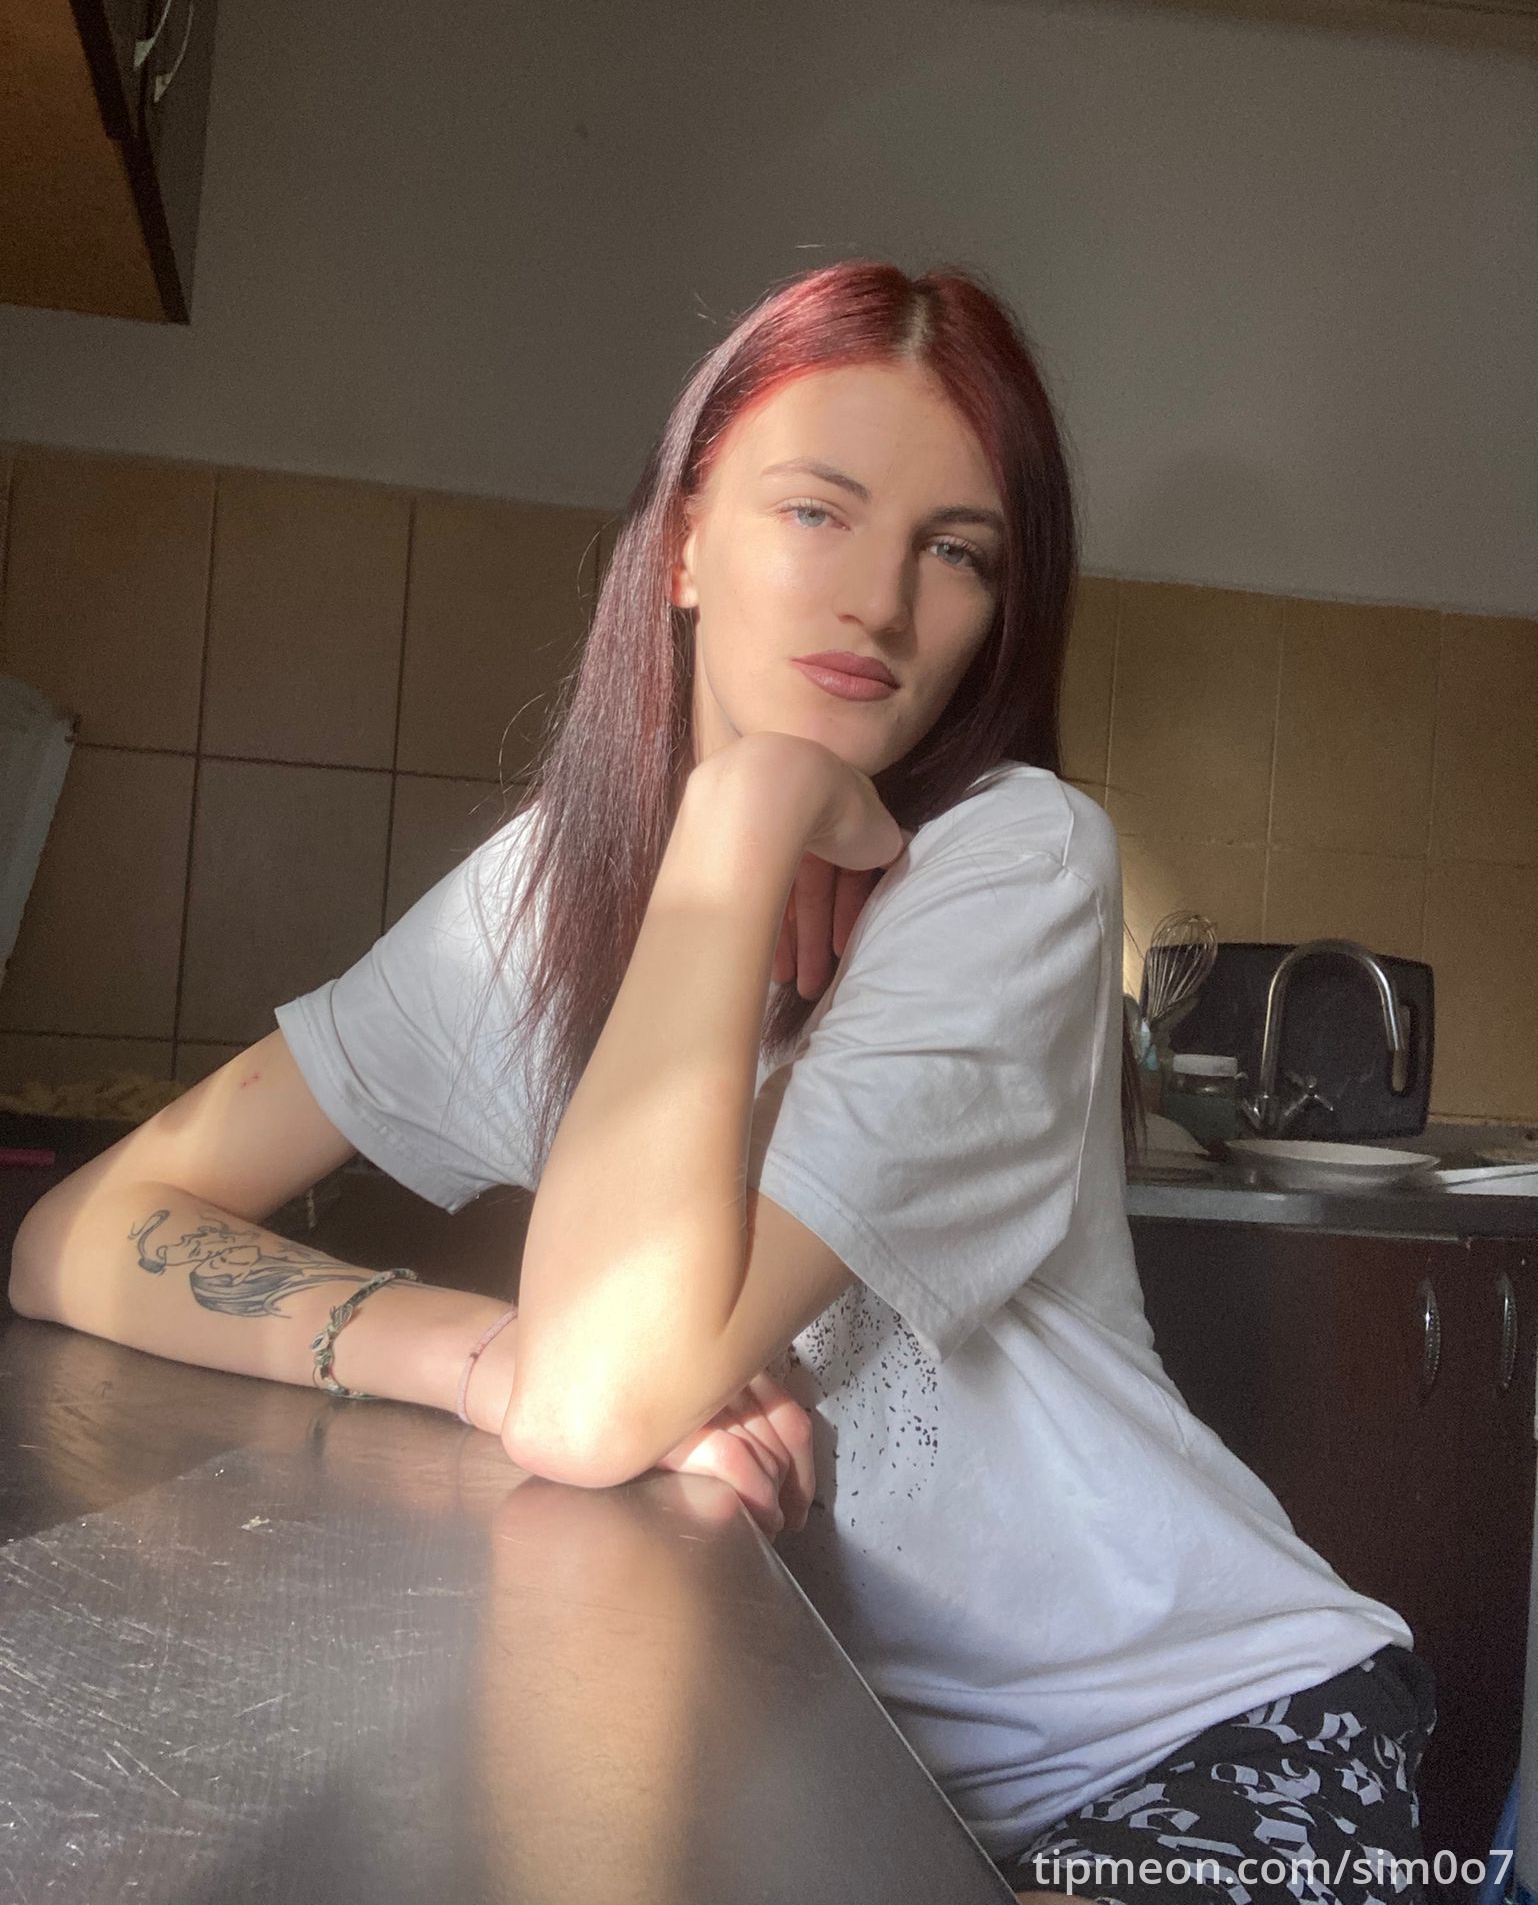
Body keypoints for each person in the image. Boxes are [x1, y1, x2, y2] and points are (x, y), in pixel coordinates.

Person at [10, 260, 1436, 1903]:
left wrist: (745, 808)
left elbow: (599, 1403)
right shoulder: (535, 901)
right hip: (854, 1763)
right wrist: (473, 1355)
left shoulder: (1012, 865)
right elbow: (79, 1233)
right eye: (816, 511)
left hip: (1206, 1742)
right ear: (683, 541)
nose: (879, 604)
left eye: (954, 552)